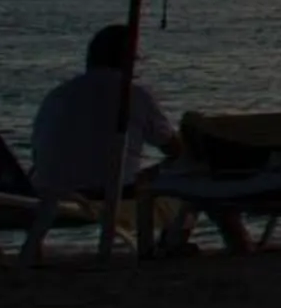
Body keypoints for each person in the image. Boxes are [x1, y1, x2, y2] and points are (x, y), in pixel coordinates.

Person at [31, 23, 182, 221]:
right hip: (108, 195)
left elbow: (37, 153)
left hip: (50, 194)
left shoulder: (57, 95)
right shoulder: (133, 95)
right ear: (128, 60)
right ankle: (164, 239)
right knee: (190, 186)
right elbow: (174, 149)